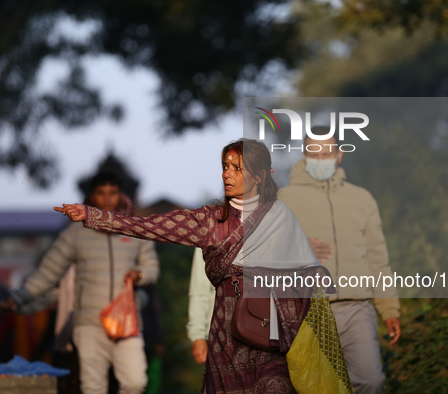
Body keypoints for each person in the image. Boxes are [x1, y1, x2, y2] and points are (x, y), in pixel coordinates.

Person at [55, 139, 352, 394]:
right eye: (225, 166)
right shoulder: (210, 220)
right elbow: (147, 226)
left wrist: (313, 275)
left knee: (276, 385)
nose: (228, 174)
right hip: (227, 327)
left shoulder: (280, 215)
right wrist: (92, 215)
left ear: (260, 175)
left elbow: (304, 271)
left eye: (238, 168)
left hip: (272, 324)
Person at [0, 172, 160, 394]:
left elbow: (152, 268)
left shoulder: (136, 230)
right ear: (91, 196)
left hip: (127, 320)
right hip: (89, 322)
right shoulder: (75, 233)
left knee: (135, 382)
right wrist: (17, 298)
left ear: (120, 195)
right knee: (93, 387)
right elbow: (48, 273)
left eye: (112, 193)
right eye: (101, 193)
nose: (107, 199)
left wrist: (139, 274)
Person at [277, 129, 401, 394]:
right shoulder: (284, 200)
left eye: (327, 153)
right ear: (304, 155)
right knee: (319, 388)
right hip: (308, 310)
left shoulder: (362, 199)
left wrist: (389, 308)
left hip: (357, 309)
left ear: (339, 155)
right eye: (314, 153)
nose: (320, 159)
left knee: (371, 381)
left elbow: (378, 257)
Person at [186, 248, 215, 364]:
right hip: (219, 333)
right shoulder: (209, 233)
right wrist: (198, 335)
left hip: (263, 330)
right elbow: (199, 291)